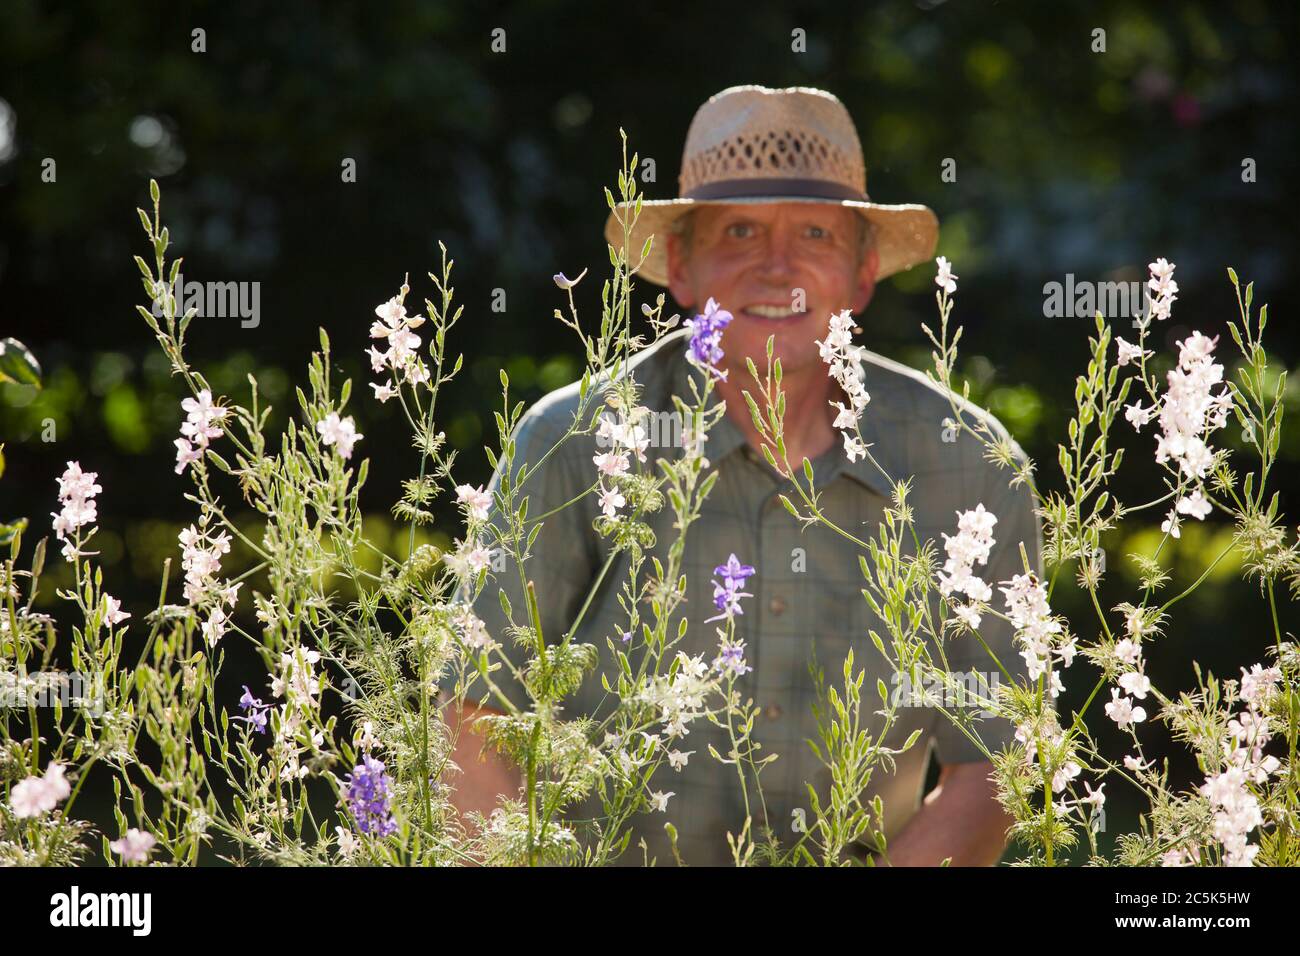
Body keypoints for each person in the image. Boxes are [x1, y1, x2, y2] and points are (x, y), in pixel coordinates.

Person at [443, 85, 1041, 866]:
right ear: (682, 270)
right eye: (739, 231)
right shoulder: (578, 442)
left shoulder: (968, 466)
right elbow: (472, 717)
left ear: (861, 275)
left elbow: (992, 767)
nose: (777, 267)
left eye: (817, 234)